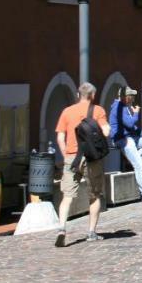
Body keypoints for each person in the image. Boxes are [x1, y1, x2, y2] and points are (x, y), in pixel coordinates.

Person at [54, 82, 110, 247]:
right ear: (93, 95)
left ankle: (62, 229)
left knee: (67, 196)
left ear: (78, 95)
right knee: (95, 195)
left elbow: (59, 137)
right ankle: (91, 232)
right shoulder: (98, 111)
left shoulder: (67, 112)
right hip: (92, 158)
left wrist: (66, 155)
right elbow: (106, 132)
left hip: (72, 157)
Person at [109, 87, 142, 203]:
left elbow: (132, 127)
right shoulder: (118, 108)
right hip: (122, 140)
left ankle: (135, 158)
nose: (132, 98)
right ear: (124, 97)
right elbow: (130, 123)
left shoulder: (124, 107)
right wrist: (136, 113)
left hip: (131, 138)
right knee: (140, 165)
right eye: (130, 96)